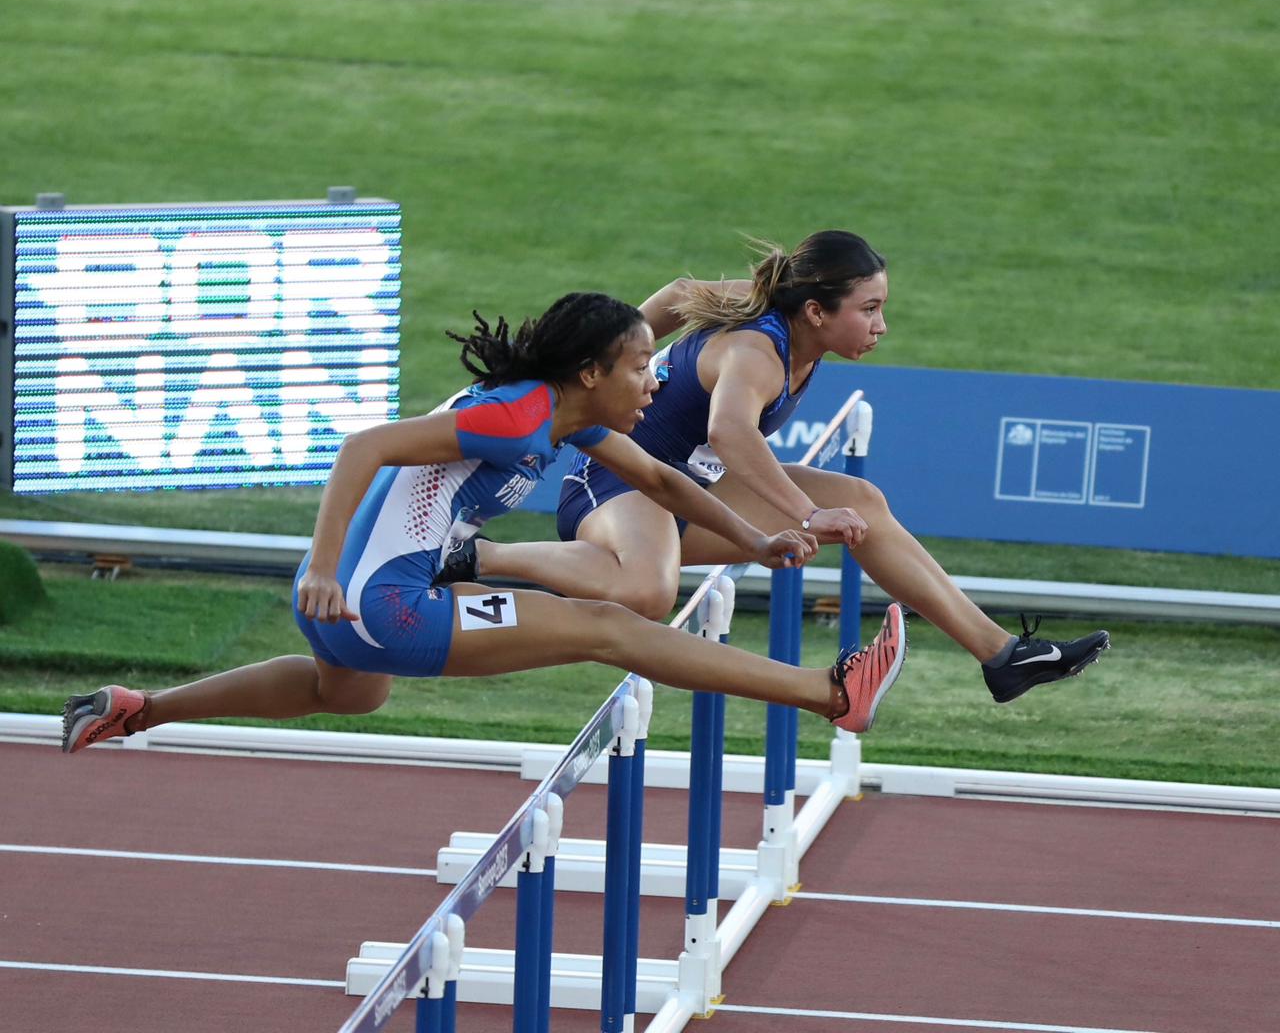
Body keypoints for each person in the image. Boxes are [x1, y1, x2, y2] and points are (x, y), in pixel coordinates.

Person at [62, 293, 907, 755]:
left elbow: (662, 481)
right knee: (608, 625)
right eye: (643, 367)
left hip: (368, 612)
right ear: (590, 372)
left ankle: (141, 710)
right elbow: (363, 446)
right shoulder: (512, 418)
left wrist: (761, 541)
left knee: (341, 694)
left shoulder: (571, 419)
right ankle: (830, 694)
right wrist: (324, 567)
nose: (656, 383)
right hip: (379, 605)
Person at [435, 233, 1110, 703]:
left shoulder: (784, 312)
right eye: (869, 310)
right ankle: (482, 558)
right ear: (818, 310)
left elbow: (675, 293)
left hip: (683, 489)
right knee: (644, 594)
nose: (881, 326)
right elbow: (731, 431)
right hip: (615, 482)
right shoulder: (759, 350)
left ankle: (1002, 657)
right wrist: (576, 380)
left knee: (865, 504)